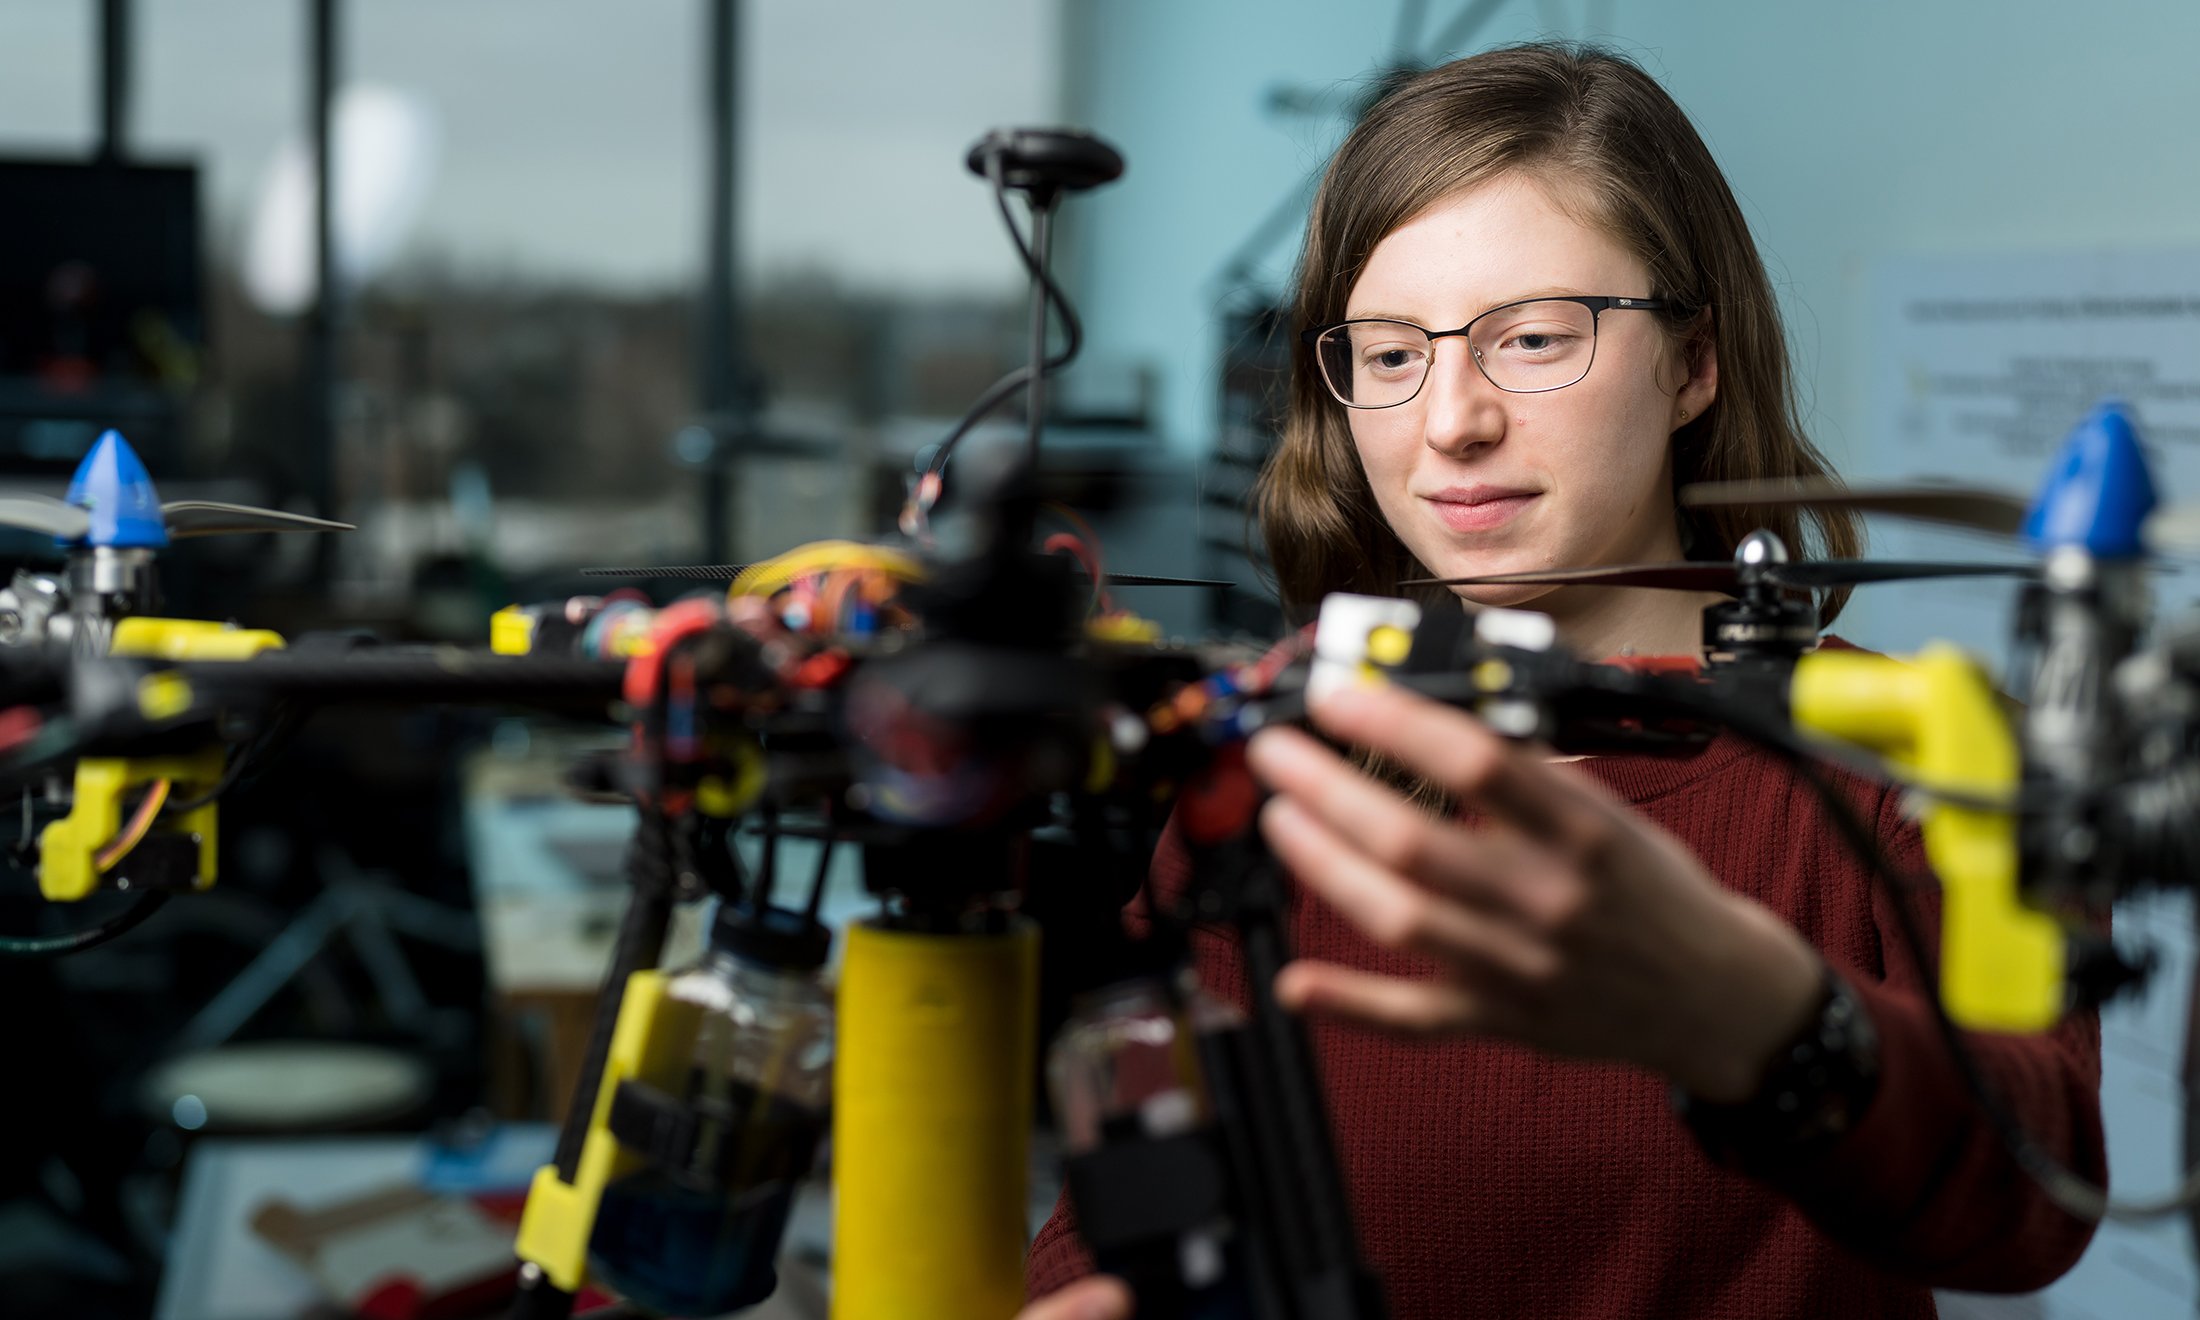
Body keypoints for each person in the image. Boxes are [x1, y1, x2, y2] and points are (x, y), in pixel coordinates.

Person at [1019, 41, 2107, 1320]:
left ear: (1692, 362)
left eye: (1532, 339)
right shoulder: (1269, 765)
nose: (1450, 423)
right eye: (1390, 356)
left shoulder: (1898, 756)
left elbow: (2033, 1200)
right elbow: (1133, 1199)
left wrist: (1758, 1018)